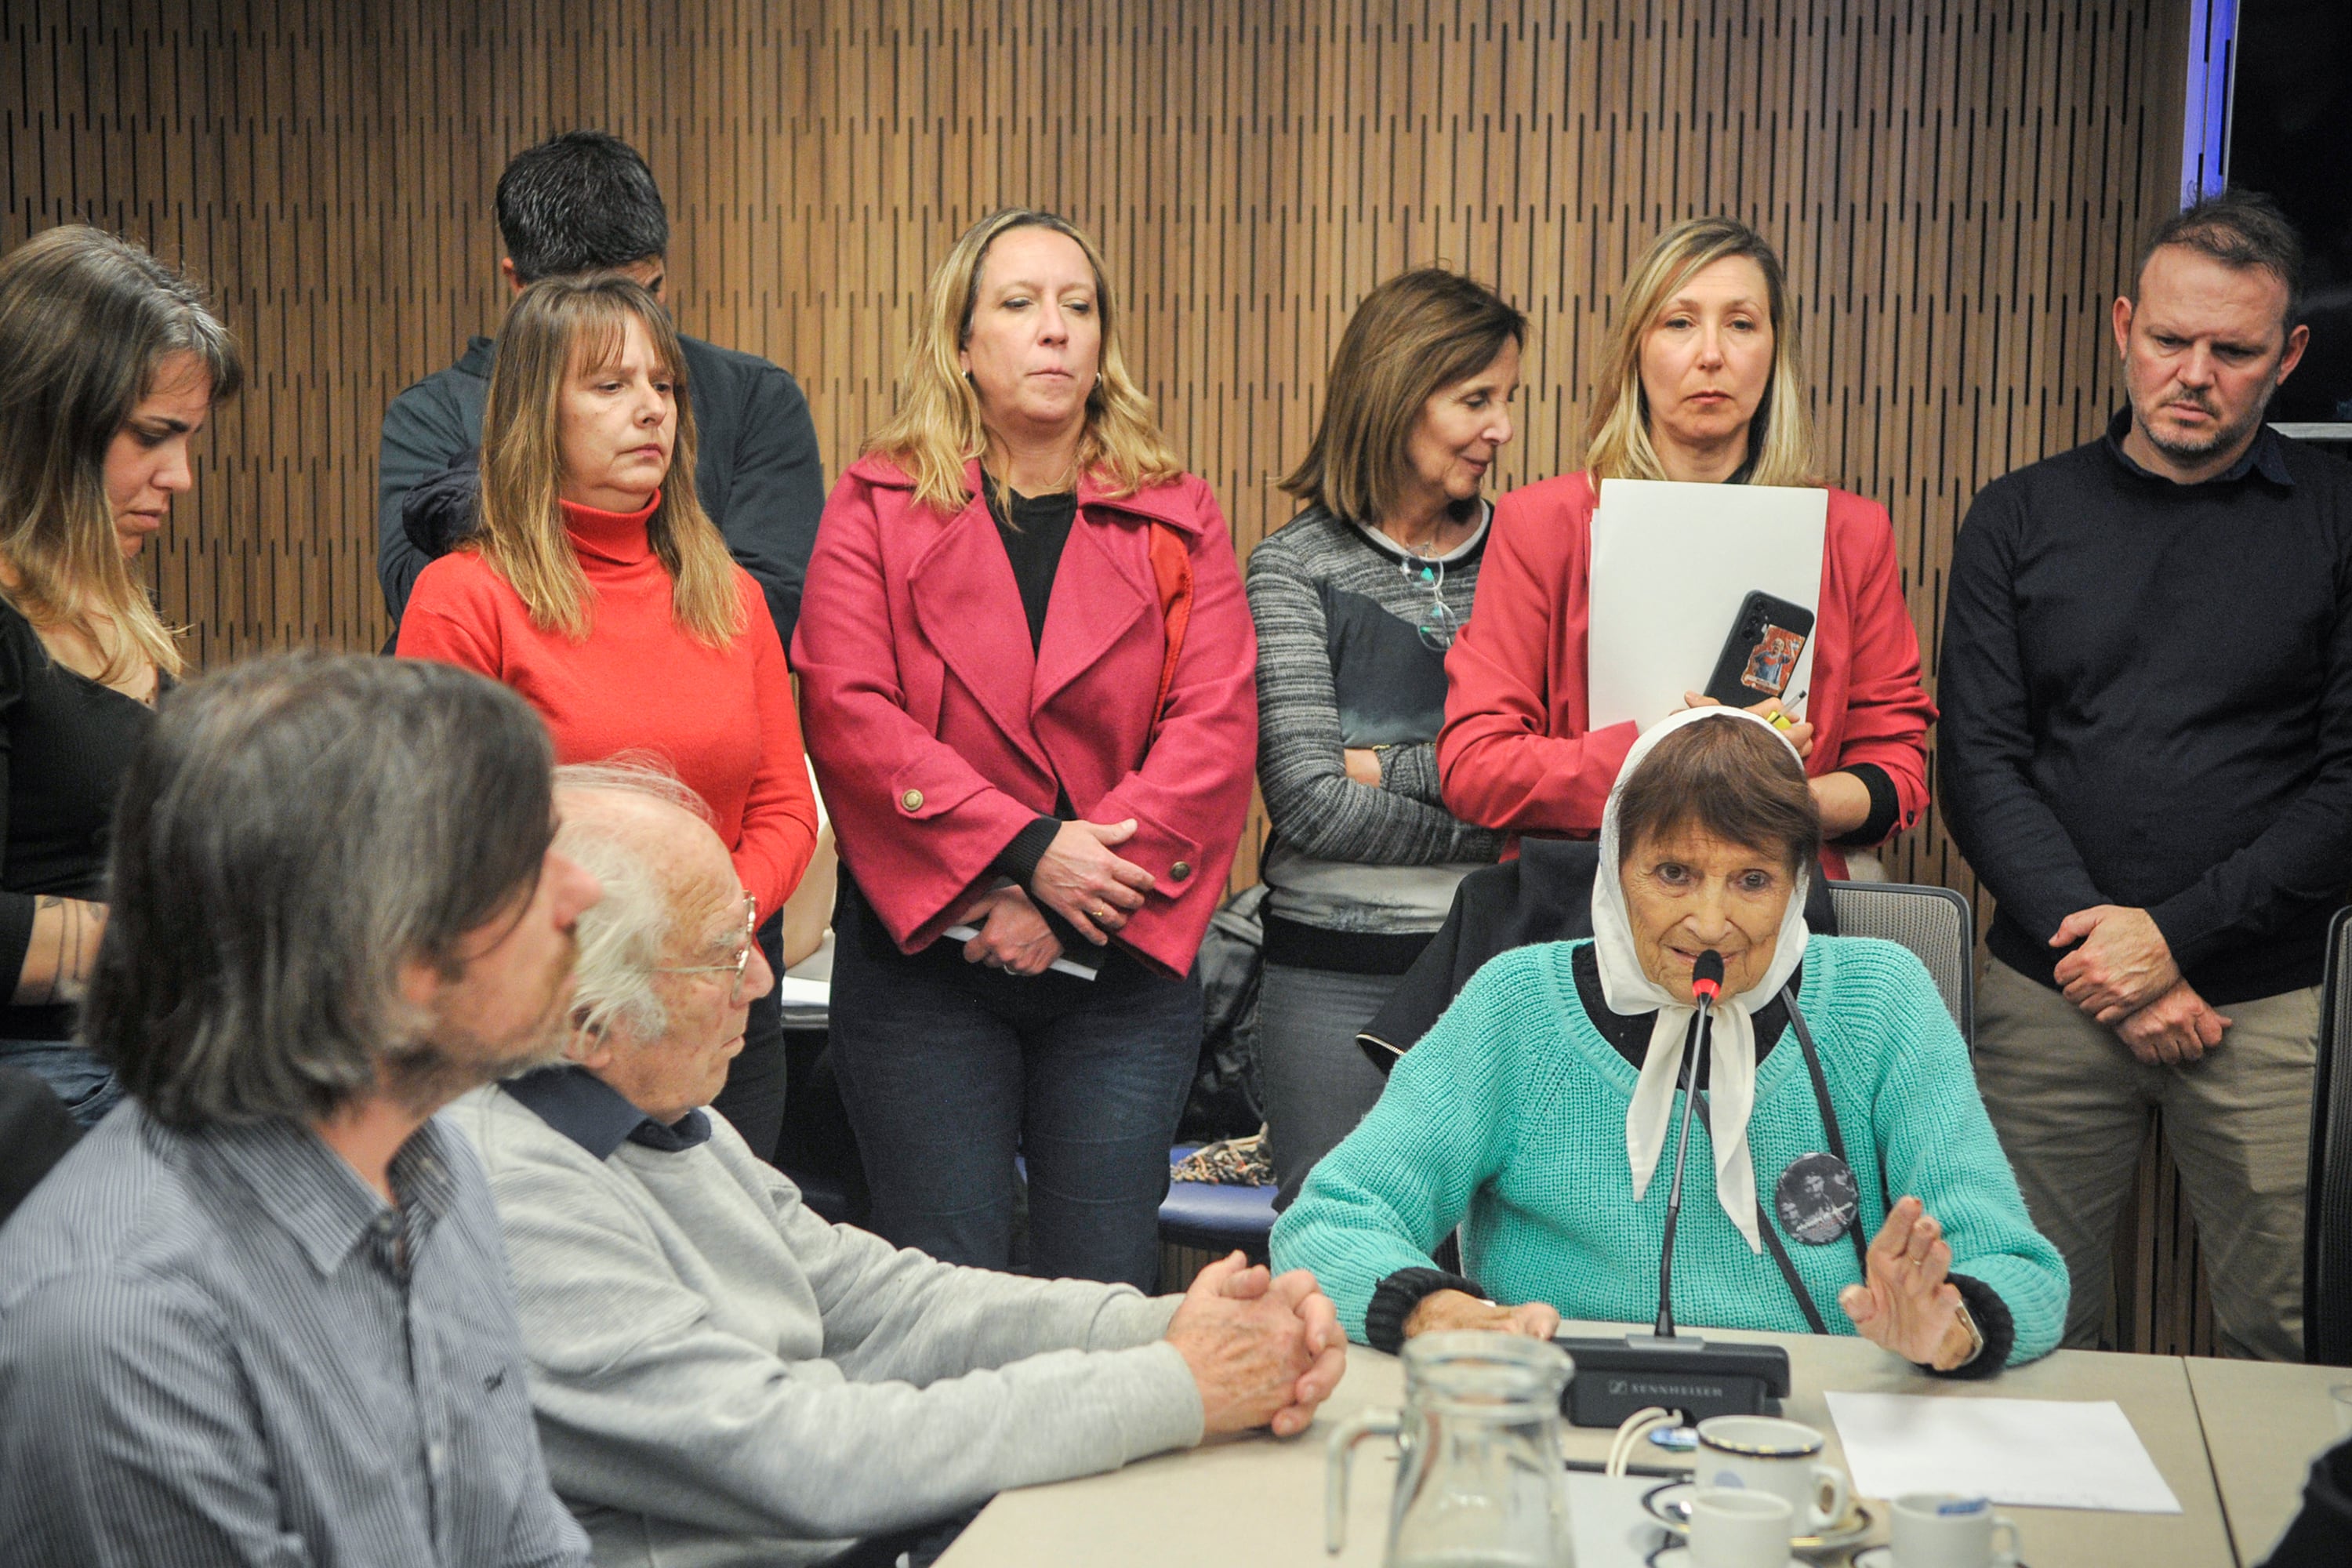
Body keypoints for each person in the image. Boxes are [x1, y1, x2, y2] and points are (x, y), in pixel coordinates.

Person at [448, 763, 1344, 1568]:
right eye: (720, 955)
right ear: (583, 1017)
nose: (756, 982)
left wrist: (1166, 1324)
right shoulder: (511, 1196)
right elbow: (799, 1456)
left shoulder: (671, 1123)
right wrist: (1177, 1380)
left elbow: (884, 1303)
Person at [0, 653, 599, 1566]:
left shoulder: (430, 1169)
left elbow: (526, 1544)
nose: (582, 890)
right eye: (526, 861)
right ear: (385, 944)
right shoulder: (130, 1327)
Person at [1271, 708, 2067, 1374]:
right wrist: (1440, 1311)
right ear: (1614, 869)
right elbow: (1327, 1223)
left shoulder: (1882, 999)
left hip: (1823, 1427)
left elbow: (2021, 1268)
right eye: (1675, 873)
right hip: (1560, 1416)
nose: (1712, 921)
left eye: (1752, 880)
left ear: (1798, 882)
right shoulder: (1516, 1004)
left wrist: (1951, 1328)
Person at [793, 208, 1258, 1289]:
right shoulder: (874, 506)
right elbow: (850, 715)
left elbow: (1216, 728)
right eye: (1019, 305)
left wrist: (1060, 895)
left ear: (1104, 344)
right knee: (942, 1284)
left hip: (1120, 955)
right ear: (961, 343)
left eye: (1078, 307)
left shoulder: (1177, 514)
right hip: (926, 964)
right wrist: (1020, 856)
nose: (1055, 331)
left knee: (1104, 1284)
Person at [1939, 190, 2352, 1363]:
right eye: (2171, 340)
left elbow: (2347, 786)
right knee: (2019, 1333)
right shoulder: (2020, 516)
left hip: (2270, 1002)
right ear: (2124, 325)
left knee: (2299, 1345)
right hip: (2050, 989)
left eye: (2234, 351)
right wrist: (2107, 953)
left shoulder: (2339, 519)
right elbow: (1978, 763)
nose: (2194, 374)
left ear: (2291, 356)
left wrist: (2170, 941)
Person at [397, 275, 818, 1163]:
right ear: (535, 412)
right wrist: (634, 950)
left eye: (662, 385)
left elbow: (785, 806)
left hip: (719, 1009)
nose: (649, 411)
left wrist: (708, 931)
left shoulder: (732, 594)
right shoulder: (464, 596)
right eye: (610, 385)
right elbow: (445, 836)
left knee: (739, 1281)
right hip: (551, 1019)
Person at [1436, 216, 1935, 877]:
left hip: (1781, 904)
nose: (1711, 355)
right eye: (1679, 322)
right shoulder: (1543, 524)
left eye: (1741, 324)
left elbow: (1897, 771)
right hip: (1584, 904)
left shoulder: (1850, 532)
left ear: (1774, 351)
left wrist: (1772, 796)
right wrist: (1670, 756)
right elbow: (1474, 767)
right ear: (1637, 349)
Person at [1247, 268, 1515, 1207]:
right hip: (1329, 975)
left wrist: (1387, 766)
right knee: (1337, 1254)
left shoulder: (1534, 555)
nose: (1502, 428)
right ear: (1399, 392)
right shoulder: (1293, 564)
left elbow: (1571, 780)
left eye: (1507, 399)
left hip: (1504, 970)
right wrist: (1496, 814)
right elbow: (1311, 803)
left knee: (1496, 1270)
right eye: (1476, 398)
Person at [379, 129, 825, 649]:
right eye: (609, 385)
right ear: (519, 286)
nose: (653, 408)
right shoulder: (432, 413)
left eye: (649, 291)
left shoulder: (753, 397)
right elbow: (421, 601)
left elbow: (775, 610)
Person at [0, 225, 241, 1126]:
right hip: (43, 1083)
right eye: (152, 436)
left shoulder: (115, 601)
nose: (178, 476)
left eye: (187, 438)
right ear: (46, 418)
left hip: (145, 1049)